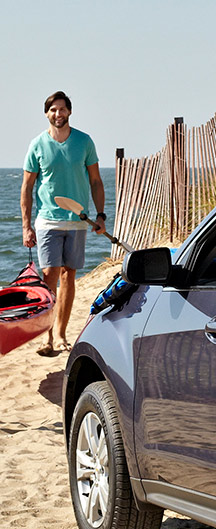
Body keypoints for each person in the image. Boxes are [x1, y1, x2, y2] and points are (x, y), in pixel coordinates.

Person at [21, 91, 106, 355]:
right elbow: (27, 186)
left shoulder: (84, 142)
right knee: (49, 277)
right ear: (47, 114)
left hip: (78, 221)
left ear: (69, 112)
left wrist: (101, 215)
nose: (58, 114)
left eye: (62, 109)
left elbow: (95, 181)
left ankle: (60, 334)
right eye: (53, 110)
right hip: (48, 221)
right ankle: (46, 337)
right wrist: (26, 226)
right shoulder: (37, 144)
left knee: (70, 276)